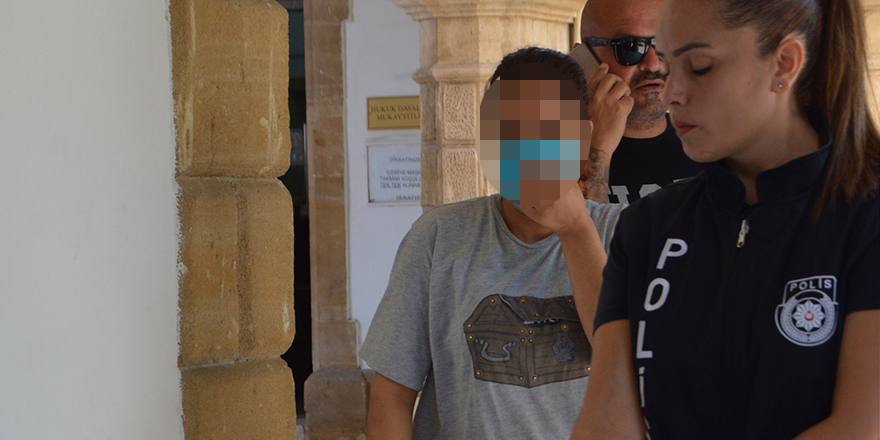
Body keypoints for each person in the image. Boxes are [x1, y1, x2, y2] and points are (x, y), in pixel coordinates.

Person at [572, 0, 880, 438]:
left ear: (784, 63)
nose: (672, 92)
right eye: (670, 66)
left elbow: (862, 426)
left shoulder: (864, 216)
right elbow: (606, 423)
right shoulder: (648, 226)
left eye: (699, 67)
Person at [360, 47, 623, 439]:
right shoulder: (437, 237)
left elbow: (624, 361)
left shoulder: (622, 232)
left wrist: (575, 229)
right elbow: (391, 398)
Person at [576, 0, 704, 204]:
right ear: (583, 59)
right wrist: (598, 149)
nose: (653, 64)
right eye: (630, 47)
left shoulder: (713, 153)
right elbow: (568, 224)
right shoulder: (545, 155)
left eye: (663, 44)